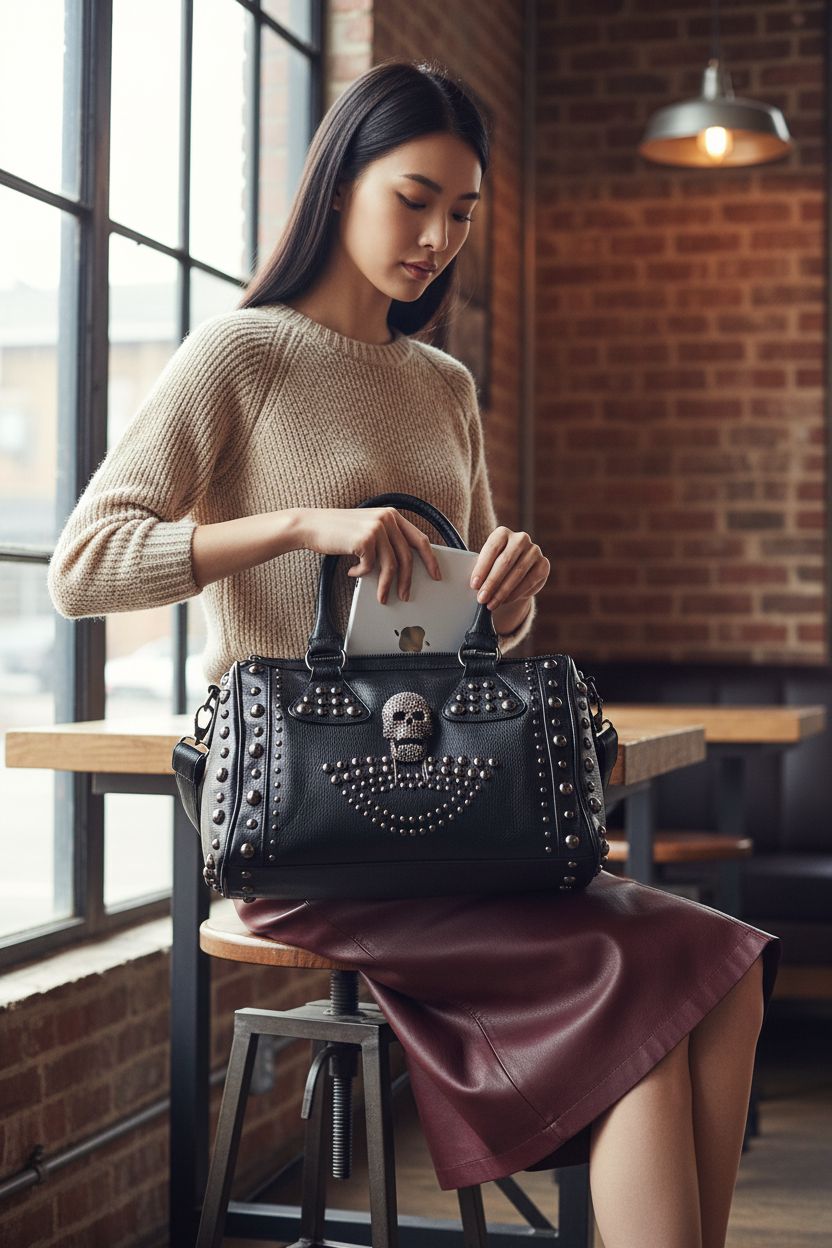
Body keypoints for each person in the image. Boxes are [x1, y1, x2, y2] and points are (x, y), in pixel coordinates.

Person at [47, 57, 780, 1248]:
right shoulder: (243, 355)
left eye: (461, 213)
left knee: (723, 965)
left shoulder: (442, 386)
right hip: (308, 825)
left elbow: (464, 624)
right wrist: (296, 524)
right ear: (341, 182)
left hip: (453, 802)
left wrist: (512, 585)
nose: (438, 235)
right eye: (414, 197)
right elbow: (83, 565)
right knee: (647, 1003)